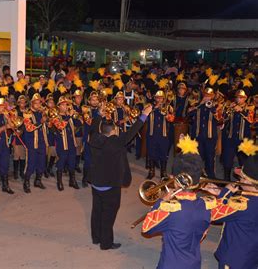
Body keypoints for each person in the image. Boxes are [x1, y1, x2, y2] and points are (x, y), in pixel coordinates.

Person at [142, 135, 215, 269]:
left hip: (171, 264)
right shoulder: (207, 205)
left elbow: (146, 228)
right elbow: (202, 235)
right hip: (194, 262)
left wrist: (161, 201)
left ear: (174, 178)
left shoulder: (169, 209)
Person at [88, 104, 152, 250]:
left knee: (96, 210)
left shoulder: (94, 139)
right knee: (108, 215)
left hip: (96, 183)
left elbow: (93, 128)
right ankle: (106, 243)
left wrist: (98, 115)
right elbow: (132, 132)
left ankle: (96, 237)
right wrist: (144, 115)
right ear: (114, 131)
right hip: (110, 185)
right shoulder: (116, 142)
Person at [205, 138, 258, 269]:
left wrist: (224, 194)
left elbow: (214, 214)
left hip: (234, 259)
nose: (239, 179)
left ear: (250, 183)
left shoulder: (243, 204)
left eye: (242, 178)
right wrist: (219, 191)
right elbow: (240, 209)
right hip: (252, 254)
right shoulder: (249, 200)